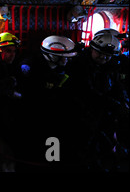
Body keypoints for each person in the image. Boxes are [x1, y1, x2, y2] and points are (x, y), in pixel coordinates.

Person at [65, 32, 129, 171]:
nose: (103, 57)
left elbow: (117, 85)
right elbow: (87, 92)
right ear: (92, 49)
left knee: (104, 146)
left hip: (103, 114)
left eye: (107, 55)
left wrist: (124, 102)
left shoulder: (111, 66)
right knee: (83, 149)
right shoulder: (79, 65)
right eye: (100, 53)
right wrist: (115, 105)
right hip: (82, 114)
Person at [16, 35, 78, 170]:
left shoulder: (62, 66)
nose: (67, 60)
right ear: (52, 56)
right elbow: (29, 93)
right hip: (32, 114)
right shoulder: (29, 66)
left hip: (53, 113)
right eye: (64, 57)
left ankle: (51, 162)